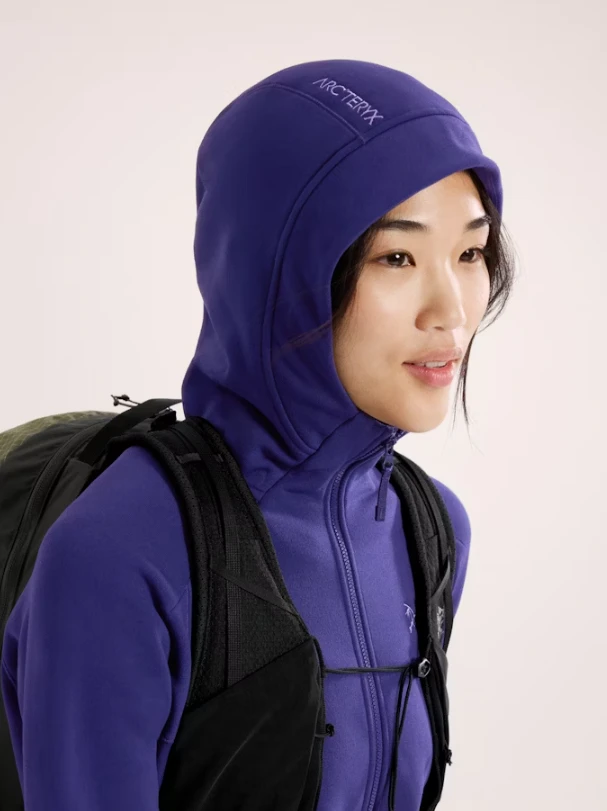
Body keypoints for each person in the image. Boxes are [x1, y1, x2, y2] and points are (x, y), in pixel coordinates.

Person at [1, 58, 515, 810]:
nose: (453, 311)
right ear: (277, 272)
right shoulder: (122, 550)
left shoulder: (430, 528)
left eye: (470, 252)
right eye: (396, 257)